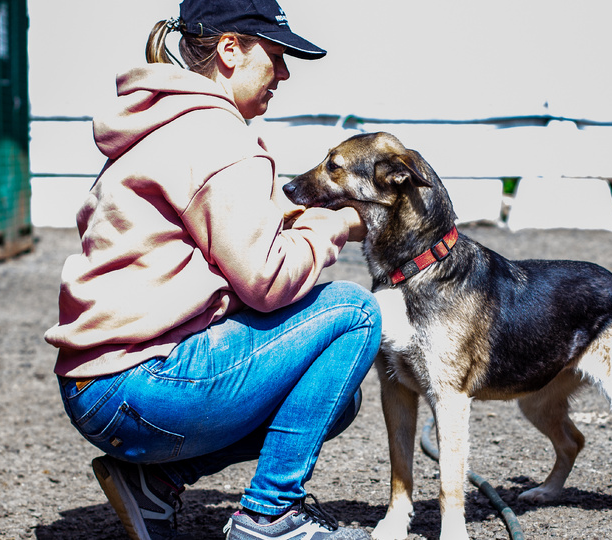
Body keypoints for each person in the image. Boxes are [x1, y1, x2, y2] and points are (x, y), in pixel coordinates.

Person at [42, 1, 380, 539]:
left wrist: (292, 214)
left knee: (336, 398)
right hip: (141, 388)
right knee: (354, 313)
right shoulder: (219, 136)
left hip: (94, 387)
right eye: (275, 56)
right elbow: (267, 282)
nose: (284, 74)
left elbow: (219, 233)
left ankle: (153, 482)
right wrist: (333, 225)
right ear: (229, 50)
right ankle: (270, 515)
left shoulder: (162, 120)